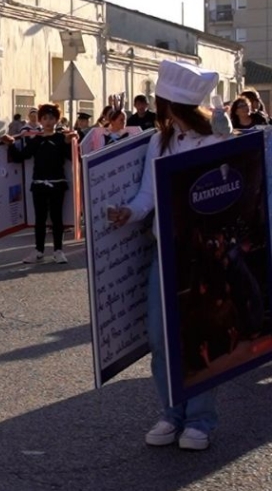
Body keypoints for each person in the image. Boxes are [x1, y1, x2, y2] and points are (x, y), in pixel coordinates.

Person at [107, 60, 229, 451]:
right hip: (166, 250)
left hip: (204, 255)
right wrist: (130, 211)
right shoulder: (159, 141)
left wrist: (228, 142)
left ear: (171, 105)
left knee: (200, 335)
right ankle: (171, 412)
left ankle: (201, 420)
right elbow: (148, 194)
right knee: (161, 338)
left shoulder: (214, 140)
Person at [1, 103, 74, 265]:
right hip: (39, 184)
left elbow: (72, 158)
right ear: (40, 120)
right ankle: (39, 250)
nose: (48, 121)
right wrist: (11, 144)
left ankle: (58, 251)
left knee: (57, 219)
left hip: (58, 184)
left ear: (57, 120)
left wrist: (71, 143)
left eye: (52, 118)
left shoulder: (62, 139)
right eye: (45, 118)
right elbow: (22, 156)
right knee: (40, 219)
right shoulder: (36, 140)